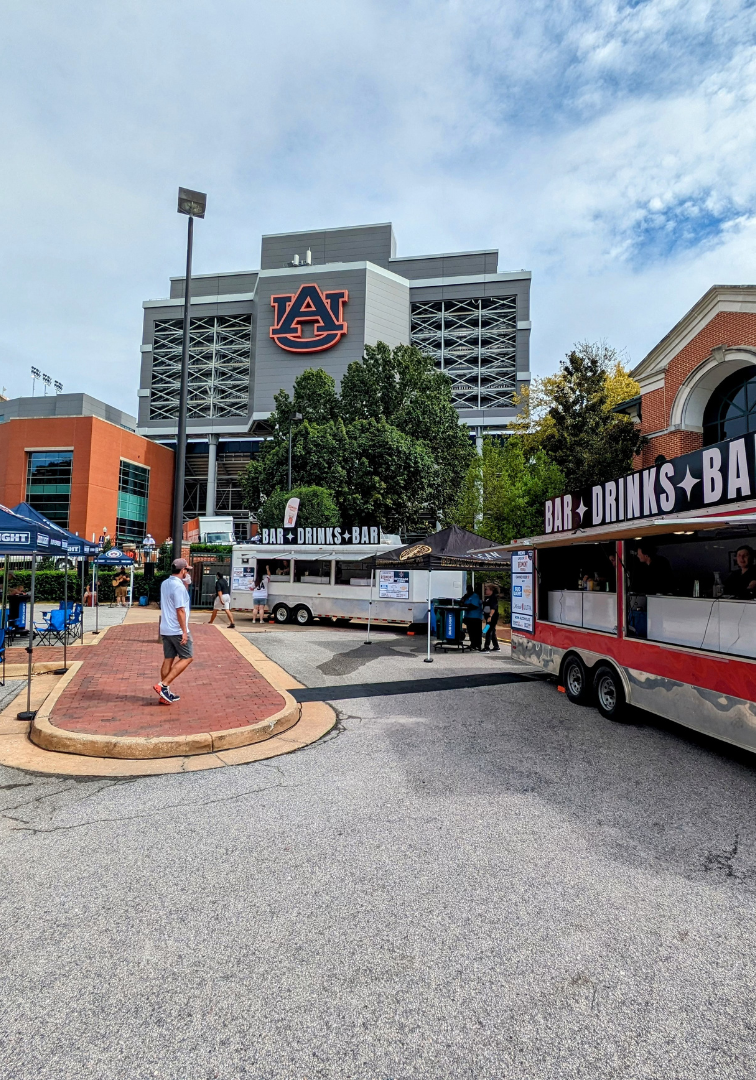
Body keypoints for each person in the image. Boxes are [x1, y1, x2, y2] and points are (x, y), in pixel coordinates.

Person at [153, 558, 193, 705]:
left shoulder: (165, 583)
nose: (187, 573)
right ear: (183, 570)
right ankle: (163, 686)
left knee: (168, 658)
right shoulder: (179, 587)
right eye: (186, 570)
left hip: (165, 628)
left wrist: (186, 583)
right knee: (187, 657)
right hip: (177, 628)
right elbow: (180, 610)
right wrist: (184, 631)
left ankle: (164, 693)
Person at [462, 585, 483, 650]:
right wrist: (464, 598)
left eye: (469, 589)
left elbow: (474, 606)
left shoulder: (475, 596)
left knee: (476, 632)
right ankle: (472, 644)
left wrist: (465, 606)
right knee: (470, 631)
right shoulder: (467, 596)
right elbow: (461, 602)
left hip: (475, 617)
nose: (468, 591)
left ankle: (478, 645)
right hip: (468, 616)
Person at [482, 582, 501, 652]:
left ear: (491, 590)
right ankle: (496, 646)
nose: (486, 591)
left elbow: (493, 608)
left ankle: (486, 647)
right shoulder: (488, 598)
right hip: (488, 616)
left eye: (487, 589)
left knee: (488, 631)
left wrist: (490, 616)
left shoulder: (493, 598)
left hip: (492, 617)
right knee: (492, 631)